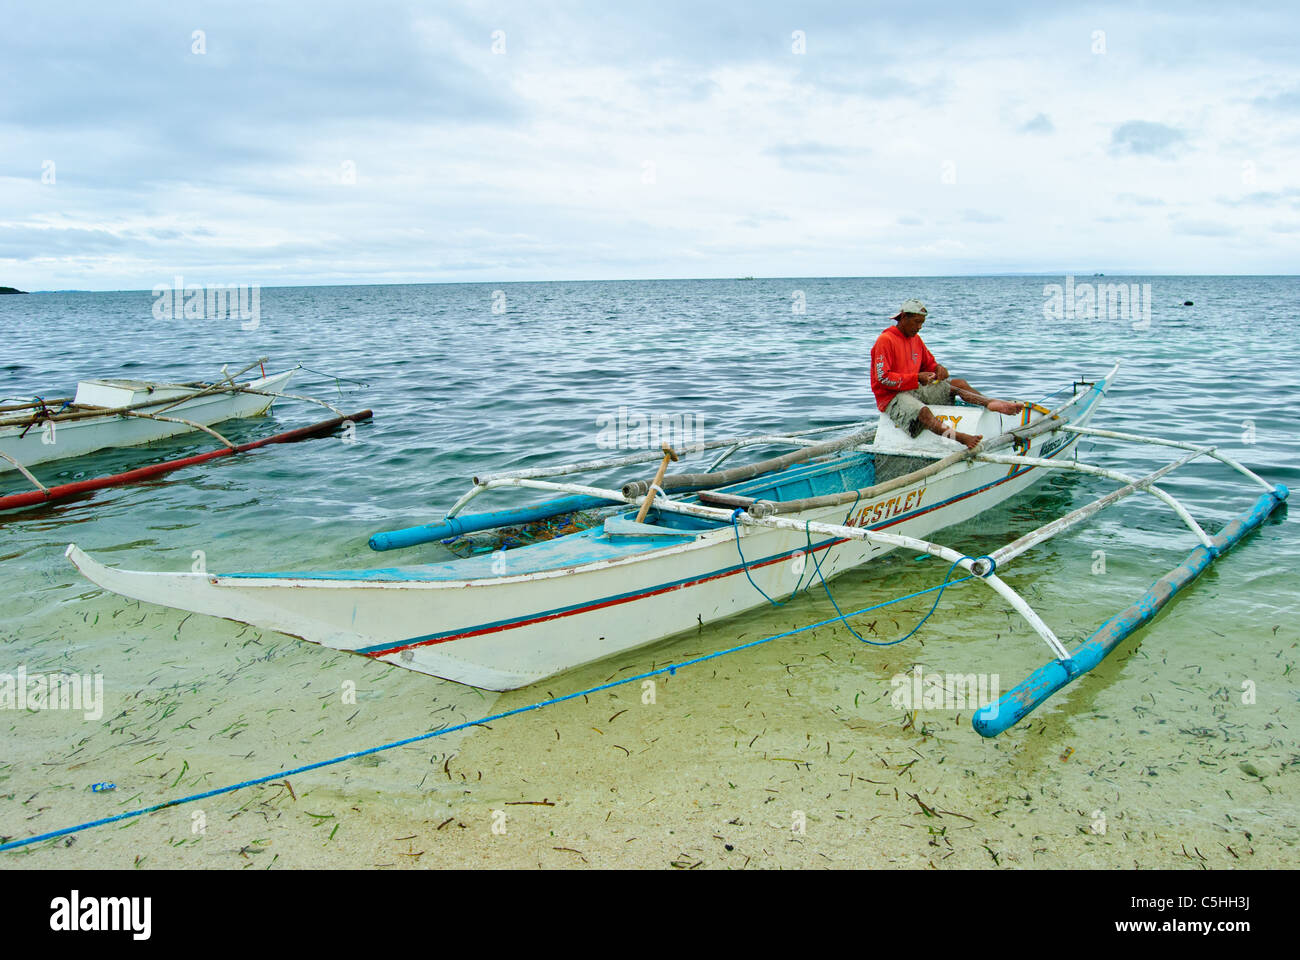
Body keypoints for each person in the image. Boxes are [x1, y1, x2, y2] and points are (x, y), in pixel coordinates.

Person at [870, 299, 1023, 450]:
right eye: (916, 322)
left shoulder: (915, 339)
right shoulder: (886, 340)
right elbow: (882, 378)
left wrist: (938, 368)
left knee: (958, 384)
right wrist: (917, 378)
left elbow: (929, 364)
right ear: (903, 317)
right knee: (924, 413)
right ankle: (961, 437)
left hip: (914, 388)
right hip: (892, 396)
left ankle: (990, 403)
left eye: (922, 323)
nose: (919, 327)